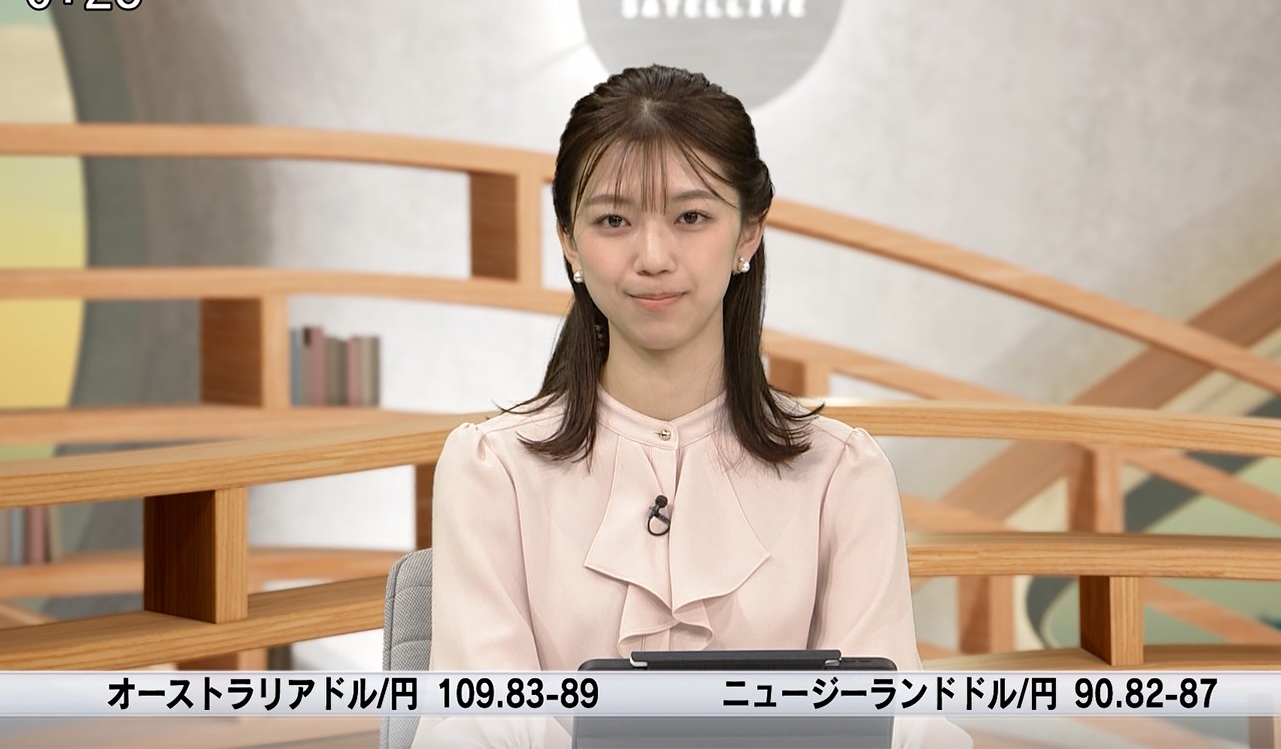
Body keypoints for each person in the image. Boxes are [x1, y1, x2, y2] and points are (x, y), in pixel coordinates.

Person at [412, 65, 969, 748]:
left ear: (748, 233)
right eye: (613, 220)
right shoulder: (491, 470)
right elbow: (475, 726)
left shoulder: (842, 474)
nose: (653, 256)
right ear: (568, 241)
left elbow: (899, 722)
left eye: (691, 217)